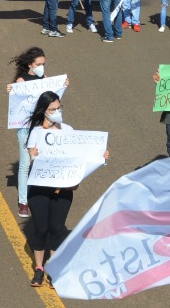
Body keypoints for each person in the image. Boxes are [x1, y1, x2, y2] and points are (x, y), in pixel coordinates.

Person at [24, 92, 107, 287]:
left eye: (59, 108)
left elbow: (84, 154)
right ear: (43, 111)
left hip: (63, 188)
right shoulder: (36, 132)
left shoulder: (68, 130)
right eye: (52, 109)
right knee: (41, 229)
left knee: (57, 228)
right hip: (40, 188)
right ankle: (39, 268)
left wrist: (100, 154)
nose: (56, 112)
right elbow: (31, 156)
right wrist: (33, 154)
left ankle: (52, 267)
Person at [7, 47, 52, 218]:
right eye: (39, 64)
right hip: (26, 129)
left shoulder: (45, 79)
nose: (42, 67)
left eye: (43, 64)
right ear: (30, 64)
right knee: (25, 165)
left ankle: (40, 194)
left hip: (43, 128)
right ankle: (23, 202)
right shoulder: (21, 80)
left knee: (42, 161)